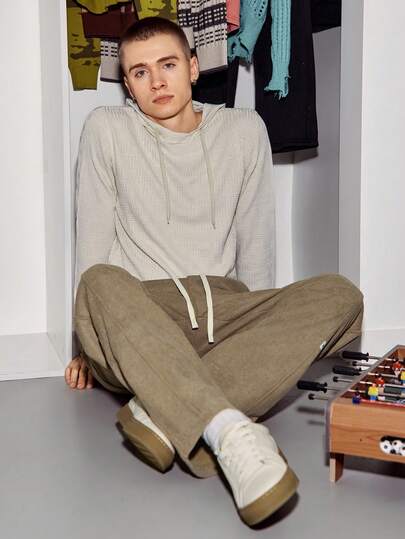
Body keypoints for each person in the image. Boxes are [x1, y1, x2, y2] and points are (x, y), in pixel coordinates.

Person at [65, 17, 364, 527]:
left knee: (341, 295)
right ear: (128, 85)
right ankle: (230, 432)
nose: (156, 82)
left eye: (167, 65)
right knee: (97, 281)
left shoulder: (244, 129)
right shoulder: (106, 129)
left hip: (223, 312)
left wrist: (261, 324)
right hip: (142, 318)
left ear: (193, 67)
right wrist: (88, 343)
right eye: (140, 72)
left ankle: (161, 411)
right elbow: (92, 241)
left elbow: (257, 243)